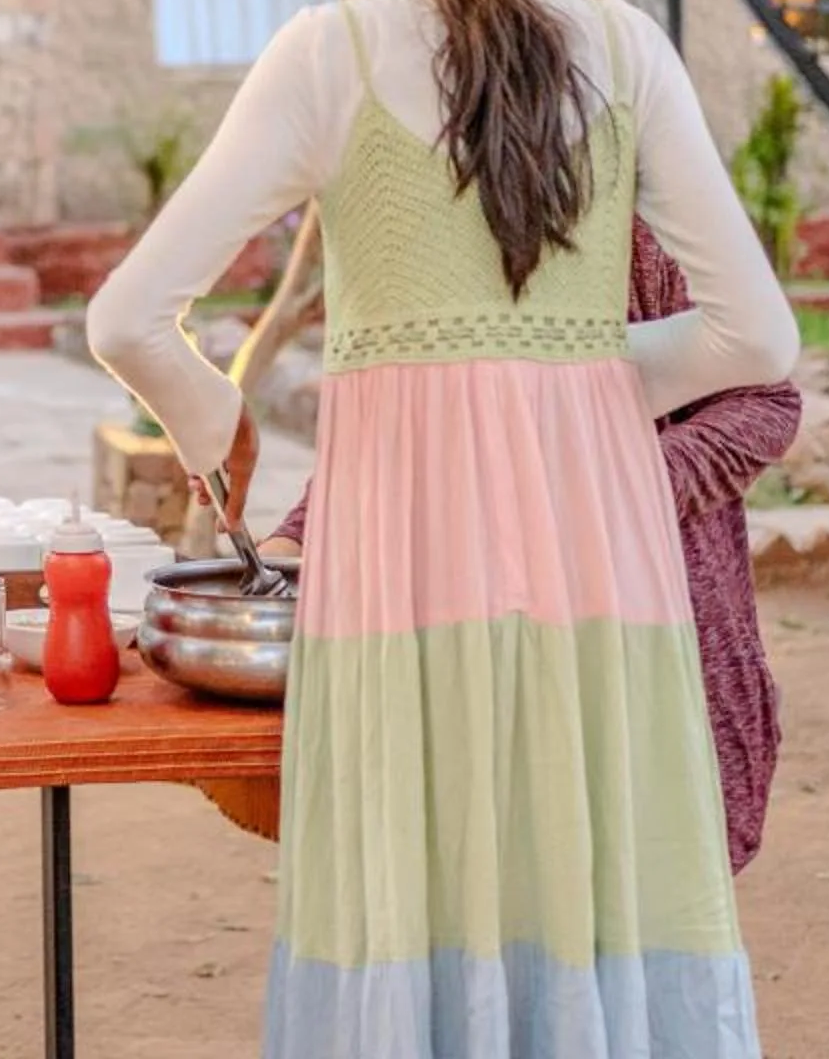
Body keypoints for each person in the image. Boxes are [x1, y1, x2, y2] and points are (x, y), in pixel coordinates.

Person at [88, 0, 796, 1058]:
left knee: (415, 875)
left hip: (406, 553)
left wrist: (216, 417)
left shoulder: (325, 54)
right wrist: (565, 383)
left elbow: (132, 316)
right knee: (584, 868)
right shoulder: (623, 43)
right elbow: (756, 339)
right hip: (600, 549)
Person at [260, 218, 800, 875]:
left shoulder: (646, 227)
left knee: (642, 887)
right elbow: (400, 425)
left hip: (642, 624)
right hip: (477, 647)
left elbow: (766, 398)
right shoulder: (425, 234)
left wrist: (615, 483)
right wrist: (296, 535)